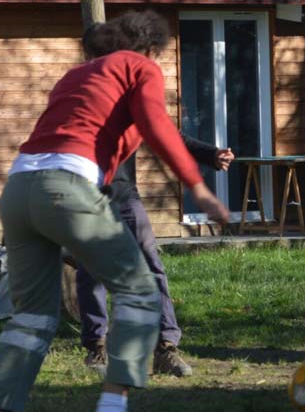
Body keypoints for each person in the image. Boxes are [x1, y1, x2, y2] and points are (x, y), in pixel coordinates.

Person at [0, 11, 231, 412]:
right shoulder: (139, 67)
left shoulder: (77, 74)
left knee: (32, 319)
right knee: (139, 290)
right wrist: (197, 186)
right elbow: (157, 125)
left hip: (20, 188)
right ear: (150, 49)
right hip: (67, 188)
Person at [73, 21, 234, 379]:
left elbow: (164, 131)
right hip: (87, 197)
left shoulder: (129, 90)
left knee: (151, 268)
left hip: (125, 196)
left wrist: (209, 155)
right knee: (90, 273)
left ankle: (165, 348)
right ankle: (97, 348)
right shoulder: (79, 92)